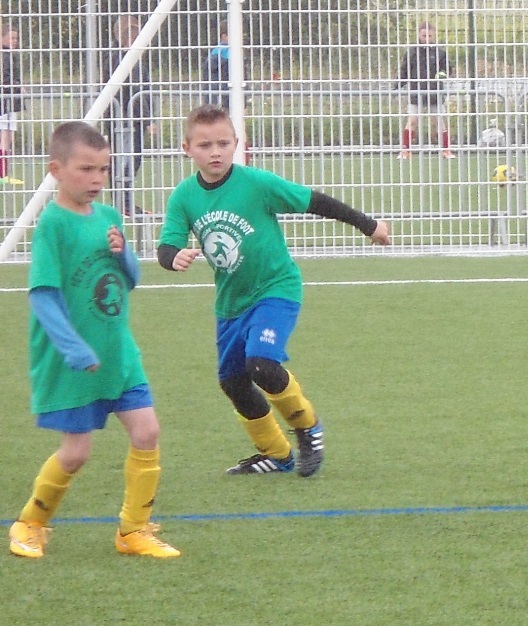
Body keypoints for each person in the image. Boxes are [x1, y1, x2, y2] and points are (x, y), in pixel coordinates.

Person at [156, 104, 391, 477]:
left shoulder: (256, 183)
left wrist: (368, 225)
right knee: (233, 383)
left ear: (236, 143)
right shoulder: (184, 197)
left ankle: (307, 428)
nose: (215, 152)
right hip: (231, 303)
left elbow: (314, 201)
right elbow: (166, 246)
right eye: (204, 145)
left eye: (223, 143)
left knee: (261, 364)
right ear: (187, 149)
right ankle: (276, 455)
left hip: (276, 288)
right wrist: (174, 258)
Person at [8, 121, 179, 559]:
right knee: (75, 453)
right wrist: (74, 349)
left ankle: (133, 531)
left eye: (103, 169)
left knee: (147, 431)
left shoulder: (108, 218)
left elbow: (131, 280)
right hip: (73, 361)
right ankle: (30, 523)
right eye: (86, 169)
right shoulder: (53, 226)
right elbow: (42, 296)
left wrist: (125, 255)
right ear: (56, 170)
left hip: (118, 352)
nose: (97, 179)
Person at [104, 15, 158, 217]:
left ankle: (124, 202)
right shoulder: (120, 58)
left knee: (129, 159)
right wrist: (147, 118)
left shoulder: (127, 57)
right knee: (126, 160)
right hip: (126, 118)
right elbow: (134, 90)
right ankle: (123, 203)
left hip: (129, 117)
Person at [395, 21, 454, 160]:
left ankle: (446, 150)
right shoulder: (412, 52)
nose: (426, 39)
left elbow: (447, 69)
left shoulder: (440, 53)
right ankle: (405, 150)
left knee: (438, 120)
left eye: (429, 36)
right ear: (419, 35)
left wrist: (443, 74)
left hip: (434, 91)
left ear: (434, 35)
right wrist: (397, 85)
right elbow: (405, 70)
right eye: (424, 36)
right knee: (412, 120)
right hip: (416, 91)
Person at [0, 22, 24, 185]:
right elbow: (7, 78)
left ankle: (3, 173)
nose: (15, 41)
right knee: (5, 136)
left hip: (8, 101)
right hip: (6, 101)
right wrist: (17, 86)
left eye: (16, 38)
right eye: (11, 37)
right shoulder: (5, 56)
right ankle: (3, 174)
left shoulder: (9, 55)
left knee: (7, 136)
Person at [204, 20, 230, 109]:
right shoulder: (228, 52)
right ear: (224, 36)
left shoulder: (215, 51)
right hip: (225, 96)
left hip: (213, 96)